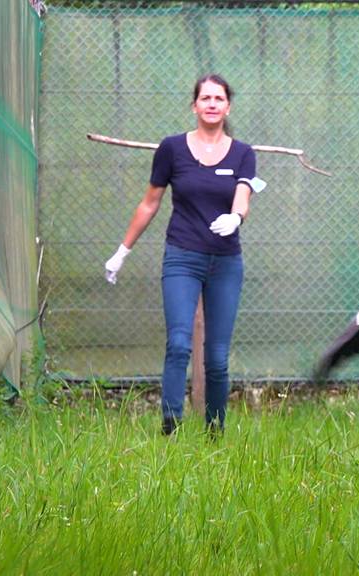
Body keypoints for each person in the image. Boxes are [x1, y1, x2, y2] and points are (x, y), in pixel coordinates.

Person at [104, 73, 263, 436]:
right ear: (195, 106)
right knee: (178, 344)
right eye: (205, 98)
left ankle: (214, 433)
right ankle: (170, 428)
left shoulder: (243, 153)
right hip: (182, 257)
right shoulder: (172, 149)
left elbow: (243, 195)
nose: (211, 104)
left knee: (217, 359)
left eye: (218, 98)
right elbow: (150, 203)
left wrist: (236, 217)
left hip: (225, 262)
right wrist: (122, 251)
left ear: (227, 106)